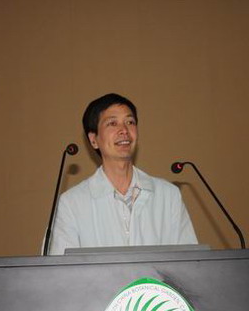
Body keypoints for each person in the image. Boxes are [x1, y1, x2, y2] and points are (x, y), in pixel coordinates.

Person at [48, 93, 197, 255]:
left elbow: (190, 261)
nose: (124, 130)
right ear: (93, 140)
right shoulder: (71, 204)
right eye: (112, 123)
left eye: (130, 122)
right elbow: (59, 267)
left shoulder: (169, 196)